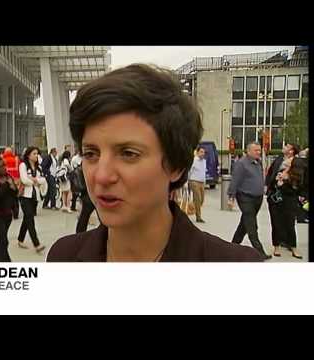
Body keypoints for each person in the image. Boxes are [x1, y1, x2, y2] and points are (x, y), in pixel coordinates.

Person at [47, 64, 262, 262]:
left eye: (128, 154)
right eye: (91, 153)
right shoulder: (63, 256)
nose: (101, 176)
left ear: (175, 165)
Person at [227, 142, 271, 260]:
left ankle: (233, 246)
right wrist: (231, 197)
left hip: (258, 198)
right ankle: (259, 252)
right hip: (245, 197)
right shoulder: (241, 164)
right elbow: (235, 181)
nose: (258, 152)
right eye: (256, 150)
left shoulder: (258, 162)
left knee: (244, 224)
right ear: (248, 151)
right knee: (251, 224)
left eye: (259, 150)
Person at [265, 143, 303, 259]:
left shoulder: (297, 162)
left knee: (290, 222)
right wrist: (270, 184)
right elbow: (270, 173)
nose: (284, 147)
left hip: (289, 196)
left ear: (291, 151)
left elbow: (300, 178)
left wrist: (287, 178)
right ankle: (276, 246)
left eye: (287, 146)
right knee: (275, 221)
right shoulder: (279, 159)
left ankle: (293, 246)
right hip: (275, 195)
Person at [17, 146, 47, 253]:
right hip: (25, 196)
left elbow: (43, 180)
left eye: (37, 154)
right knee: (30, 219)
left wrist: (34, 179)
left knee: (27, 218)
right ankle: (36, 244)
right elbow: (24, 180)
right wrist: (35, 181)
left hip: (35, 196)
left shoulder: (38, 167)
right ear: (28, 155)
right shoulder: (23, 165)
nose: (36, 156)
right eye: (34, 153)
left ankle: (20, 239)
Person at [75, 159, 97, 233]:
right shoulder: (87, 163)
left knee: (84, 216)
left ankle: (79, 234)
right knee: (84, 216)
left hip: (87, 194)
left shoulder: (84, 163)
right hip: (89, 194)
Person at [188, 146, 207, 223]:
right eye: (201, 152)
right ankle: (198, 217)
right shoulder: (194, 160)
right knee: (198, 198)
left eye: (204, 152)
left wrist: (204, 181)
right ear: (198, 152)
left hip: (202, 182)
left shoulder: (204, 161)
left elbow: (203, 172)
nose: (203, 154)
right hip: (194, 181)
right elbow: (189, 171)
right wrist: (188, 181)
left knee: (202, 200)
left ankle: (191, 207)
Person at [2, 147, 21, 219]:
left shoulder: (2, 159)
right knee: (15, 198)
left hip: (6, 181)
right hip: (16, 181)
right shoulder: (16, 159)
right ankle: (16, 213)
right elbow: (19, 169)